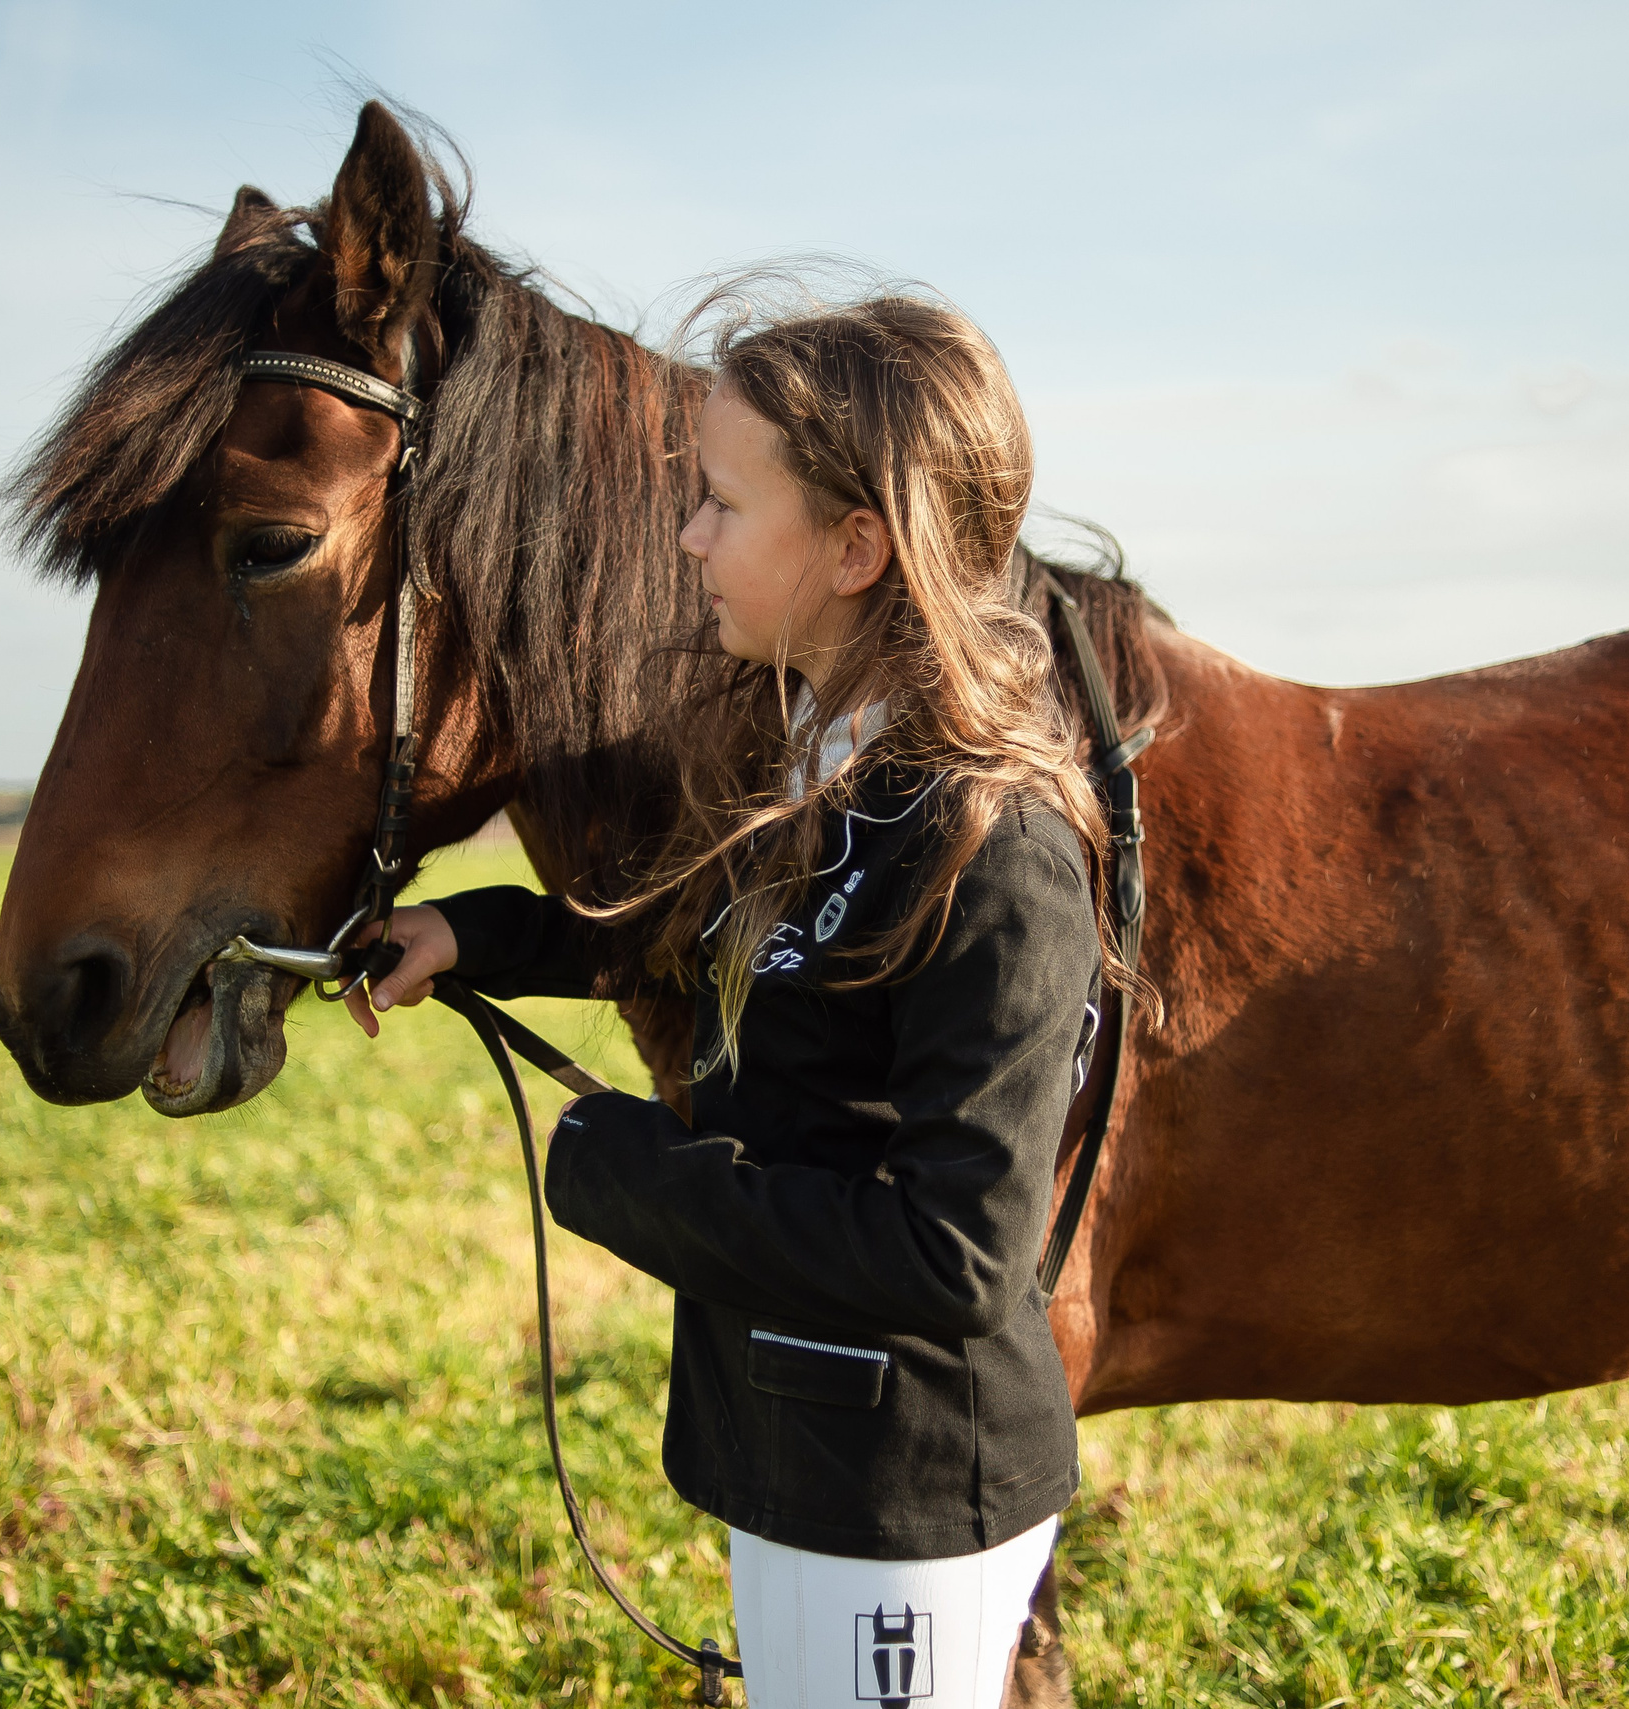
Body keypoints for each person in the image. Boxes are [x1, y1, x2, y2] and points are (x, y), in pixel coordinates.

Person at [344, 291, 1139, 1707]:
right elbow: (717, 948)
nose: (690, 538)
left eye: (720, 503)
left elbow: (953, 1251)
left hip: (897, 1489)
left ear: (856, 546)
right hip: (797, 1448)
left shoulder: (993, 846)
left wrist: (625, 1175)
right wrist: (464, 936)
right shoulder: (818, 766)